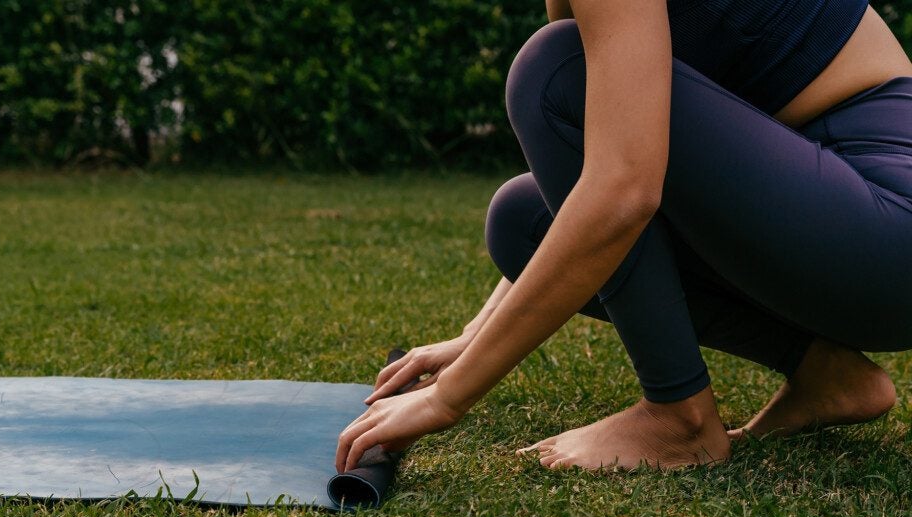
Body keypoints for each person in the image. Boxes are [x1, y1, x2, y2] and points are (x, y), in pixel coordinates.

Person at [336, 0, 912, 473]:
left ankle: (680, 418)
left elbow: (622, 189)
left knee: (552, 72)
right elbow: (584, 152)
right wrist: (473, 334)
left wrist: (448, 396)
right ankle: (826, 372)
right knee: (524, 220)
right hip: (838, 214)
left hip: (888, 224)